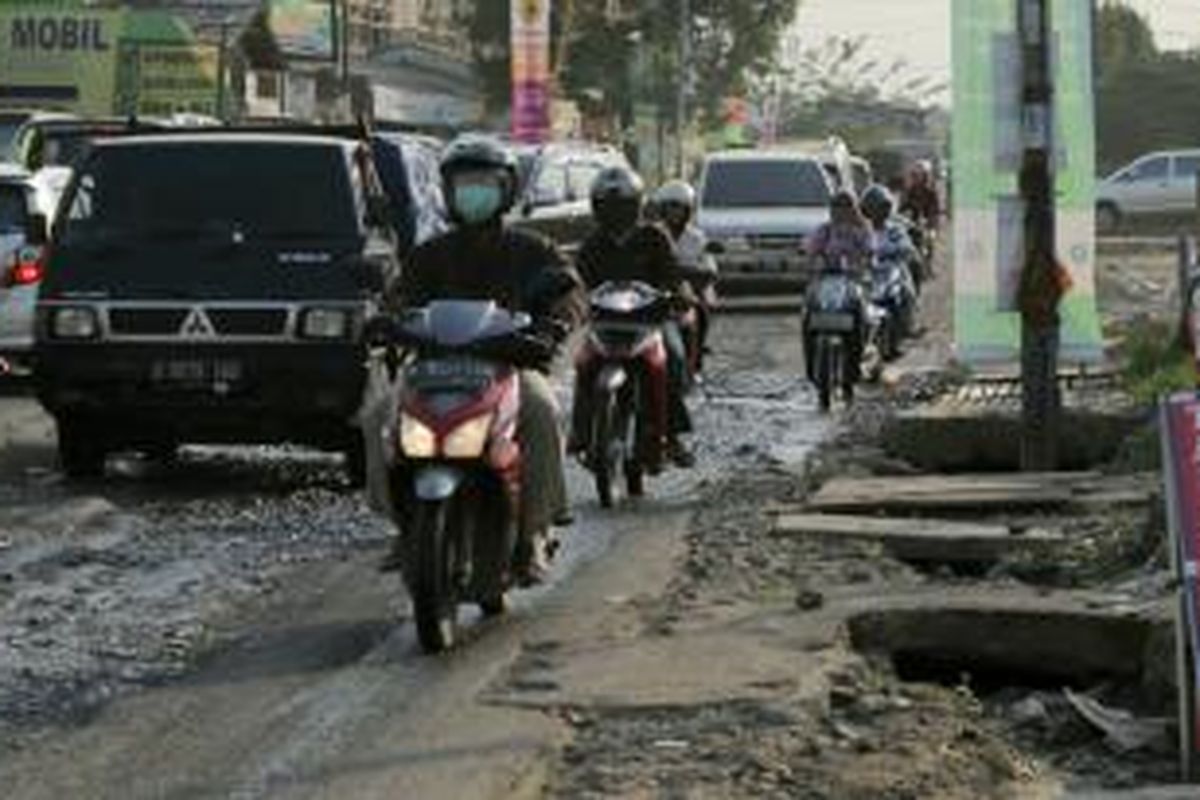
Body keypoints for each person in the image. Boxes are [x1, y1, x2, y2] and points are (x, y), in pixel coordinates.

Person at [383, 134, 583, 585]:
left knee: (543, 411)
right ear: (448, 191)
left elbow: (570, 292)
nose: (474, 193)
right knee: (378, 414)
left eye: (485, 183)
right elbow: (397, 298)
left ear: (506, 190)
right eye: (464, 183)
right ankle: (403, 526)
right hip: (432, 368)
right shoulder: (428, 254)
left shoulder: (533, 249)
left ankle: (534, 530)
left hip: (508, 367)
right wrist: (383, 322)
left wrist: (553, 327)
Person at [572, 166, 696, 468]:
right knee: (584, 364)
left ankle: (672, 434)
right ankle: (580, 431)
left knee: (674, 358)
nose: (615, 212)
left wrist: (676, 294)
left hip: (650, 320)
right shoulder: (593, 243)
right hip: (605, 323)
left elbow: (673, 274)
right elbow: (578, 281)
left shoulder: (654, 236)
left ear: (636, 205)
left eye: (621, 205)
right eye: (608, 205)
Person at [804, 190, 873, 386]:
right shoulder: (824, 230)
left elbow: (870, 251)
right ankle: (811, 366)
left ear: (854, 209)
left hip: (852, 282)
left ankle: (856, 365)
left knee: (860, 316)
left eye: (846, 207)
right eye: (837, 207)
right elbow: (812, 251)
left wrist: (863, 263)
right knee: (808, 312)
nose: (841, 211)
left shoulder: (861, 229)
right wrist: (813, 263)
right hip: (825, 281)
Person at [650, 179, 718, 371]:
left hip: (690, 291)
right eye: (671, 206)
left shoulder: (696, 238)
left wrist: (688, 275)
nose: (675, 212)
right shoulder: (651, 234)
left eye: (680, 207)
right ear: (662, 209)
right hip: (658, 291)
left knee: (701, 311)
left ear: (688, 210)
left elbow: (709, 269)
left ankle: (696, 361)